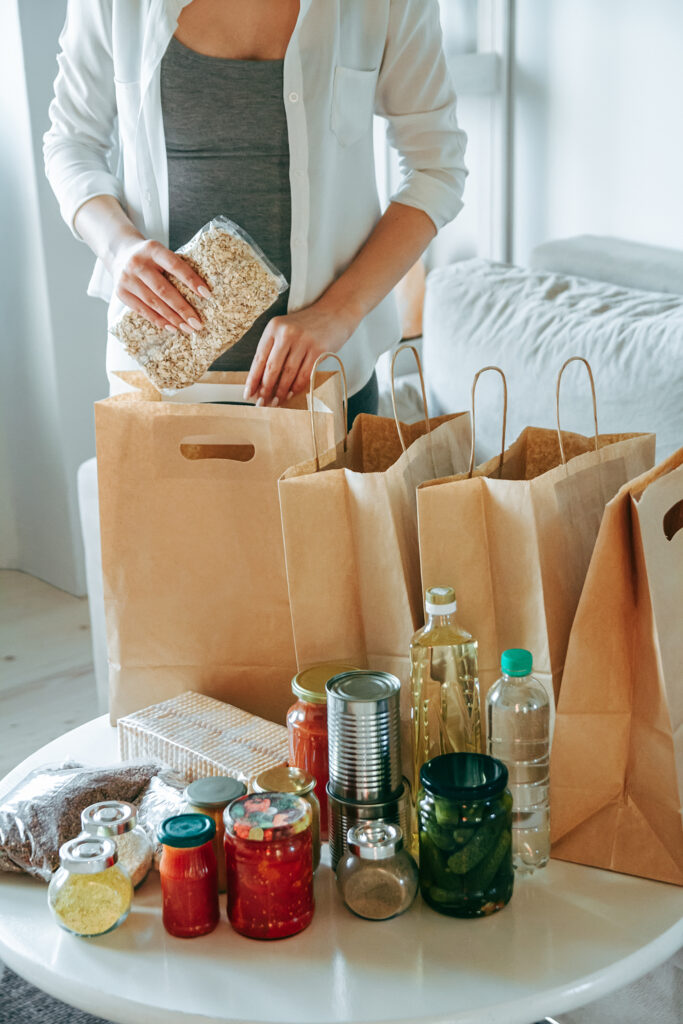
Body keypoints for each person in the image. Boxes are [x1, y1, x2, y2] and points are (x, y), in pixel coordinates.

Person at [44, 0, 467, 419]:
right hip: (155, 391)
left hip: (326, 382)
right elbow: (71, 144)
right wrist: (119, 248)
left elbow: (435, 167)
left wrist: (339, 312)